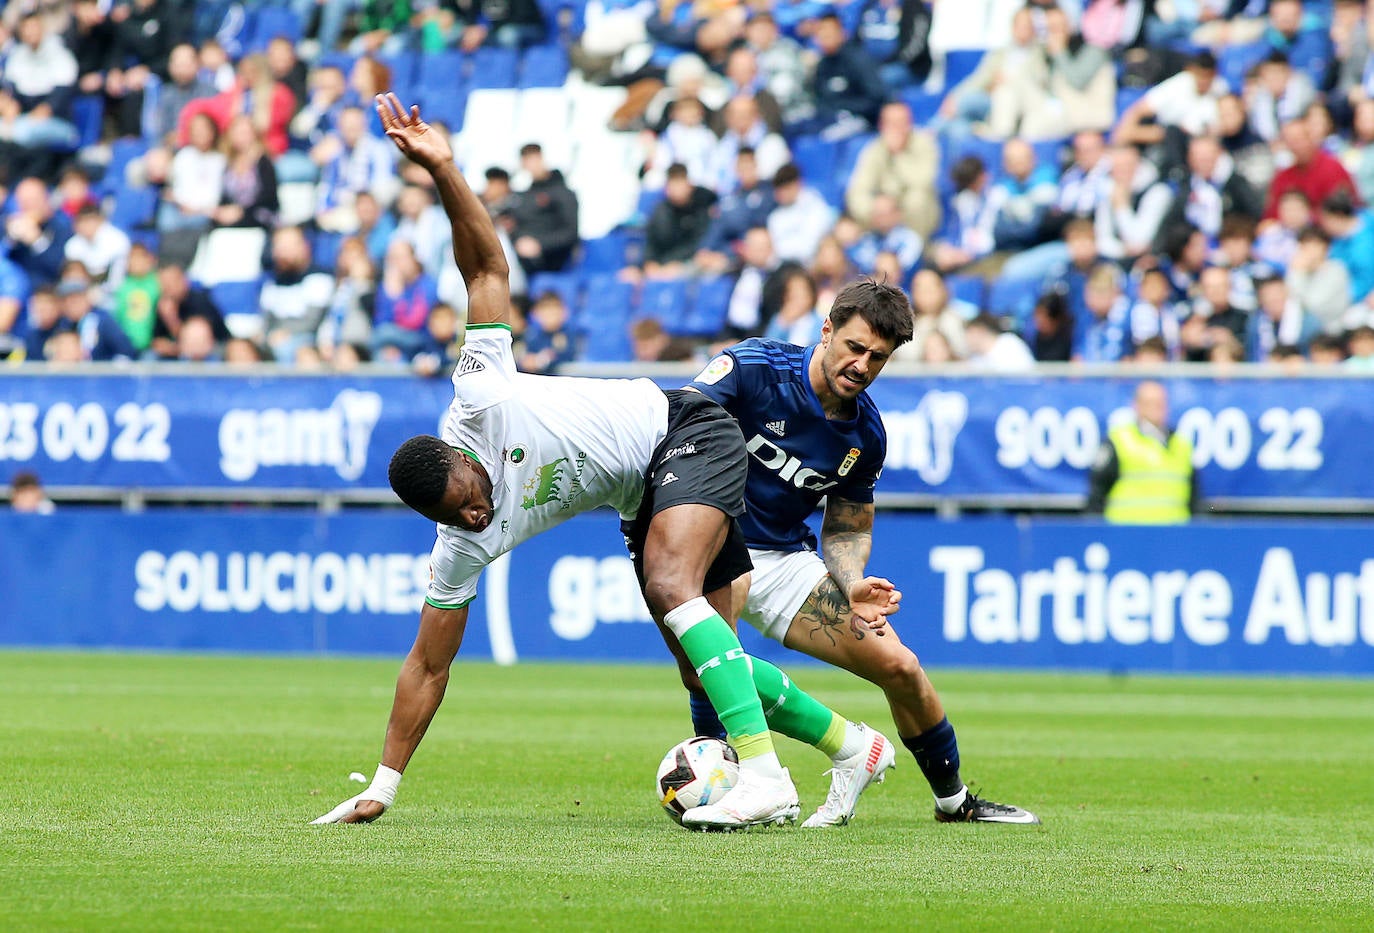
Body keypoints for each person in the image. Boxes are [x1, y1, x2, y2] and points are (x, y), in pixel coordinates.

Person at [314, 94, 887, 831]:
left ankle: (767, 775)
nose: (479, 513)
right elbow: (427, 665)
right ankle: (852, 746)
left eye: (474, 494)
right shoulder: (460, 543)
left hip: (685, 426)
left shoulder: (482, 397)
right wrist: (384, 785)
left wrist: (445, 172)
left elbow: (485, 269)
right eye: (462, 518)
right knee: (699, 663)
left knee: (669, 582)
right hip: (641, 493)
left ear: (466, 455)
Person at [685, 281, 1039, 826]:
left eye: (878, 357)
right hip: (706, 538)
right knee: (709, 654)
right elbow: (677, 429)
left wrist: (850, 580)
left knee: (900, 665)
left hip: (782, 558)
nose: (861, 364)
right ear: (826, 330)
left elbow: (847, 526)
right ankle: (723, 768)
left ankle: (954, 801)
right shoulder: (752, 368)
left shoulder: (864, 435)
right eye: (853, 346)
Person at [1086, 381, 1200, 524]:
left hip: (1174, 535)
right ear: (1137, 406)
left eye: (1161, 402)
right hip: (1128, 533)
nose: (1157, 408)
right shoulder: (1119, 440)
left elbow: (1194, 496)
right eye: (1150, 403)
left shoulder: (1182, 444)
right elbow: (1097, 493)